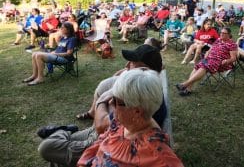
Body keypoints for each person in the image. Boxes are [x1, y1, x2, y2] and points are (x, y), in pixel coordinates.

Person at [38, 45, 167, 167]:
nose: (111, 103)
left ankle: (62, 131)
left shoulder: (136, 109)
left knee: (47, 147)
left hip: (99, 134)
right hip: (101, 134)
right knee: (55, 148)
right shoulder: (130, 114)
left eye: (116, 101)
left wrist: (102, 100)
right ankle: (63, 132)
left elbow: (101, 127)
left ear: (143, 69)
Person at [77, 69, 184, 167]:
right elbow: (97, 145)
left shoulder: (157, 155)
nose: (110, 102)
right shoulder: (120, 124)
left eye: (115, 101)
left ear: (136, 111)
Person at [176, 27, 237, 96]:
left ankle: (185, 84)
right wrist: (207, 52)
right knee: (197, 66)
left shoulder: (232, 44)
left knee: (203, 67)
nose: (221, 34)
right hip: (210, 59)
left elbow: (233, 58)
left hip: (220, 63)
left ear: (229, 34)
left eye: (224, 33)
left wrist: (226, 61)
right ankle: (188, 89)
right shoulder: (218, 40)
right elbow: (211, 48)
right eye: (221, 32)